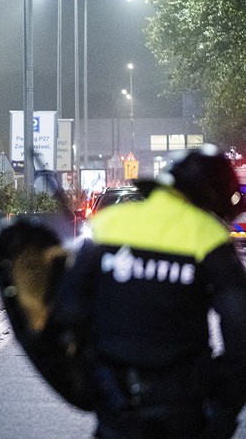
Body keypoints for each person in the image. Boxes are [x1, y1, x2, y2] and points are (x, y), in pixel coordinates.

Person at [48, 145, 246, 438]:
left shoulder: (108, 224)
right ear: (212, 197)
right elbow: (239, 330)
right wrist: (224, 408)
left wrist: (91, 377)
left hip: (114, 400)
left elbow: (66, 308)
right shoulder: (209, 238)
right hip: (183, 402)